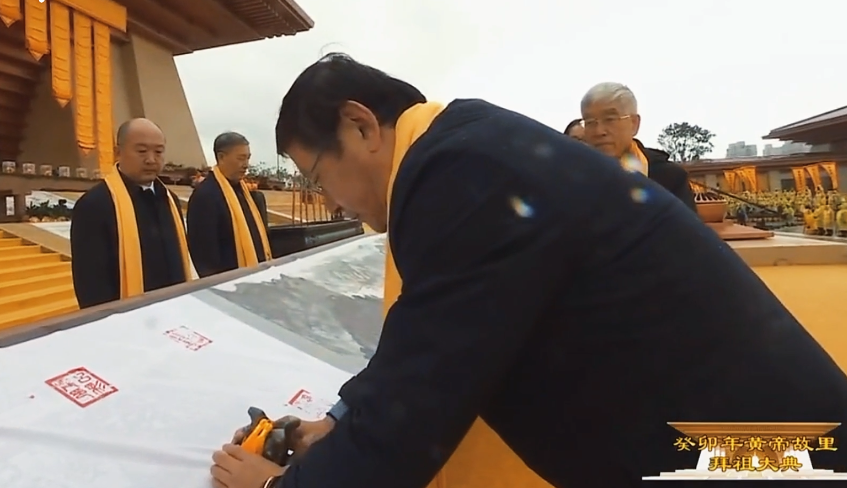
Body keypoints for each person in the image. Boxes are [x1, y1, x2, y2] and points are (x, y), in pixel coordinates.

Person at [210, 54, 847, 488]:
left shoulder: (461, 174)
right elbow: (429, 331)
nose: (331, 203)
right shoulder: (469, 148)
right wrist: (338, 424)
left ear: (360, 125)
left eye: (318, 177)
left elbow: (420, 399)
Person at [70, 118, 191, 308]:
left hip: (174, 310)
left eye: (158, 152)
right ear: (118, 152)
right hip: (126, 318)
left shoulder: (169, 200)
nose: (151, 159)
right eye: (141, 151)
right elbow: (91, 285)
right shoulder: (95, 205)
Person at [580, 82, 697, 212]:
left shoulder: (668, 177)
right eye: (590, 122)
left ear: (634, 123)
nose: (599, 131)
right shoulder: (575, 176)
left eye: (609, 119)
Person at [186, 132, 272, 278]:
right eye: (240, 158)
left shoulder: (247, 194)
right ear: (221, 157)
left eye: (248, 158)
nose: (246, 165)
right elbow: (205, 257)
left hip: (257, 278)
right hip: (229, 283)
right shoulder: (206, 196)